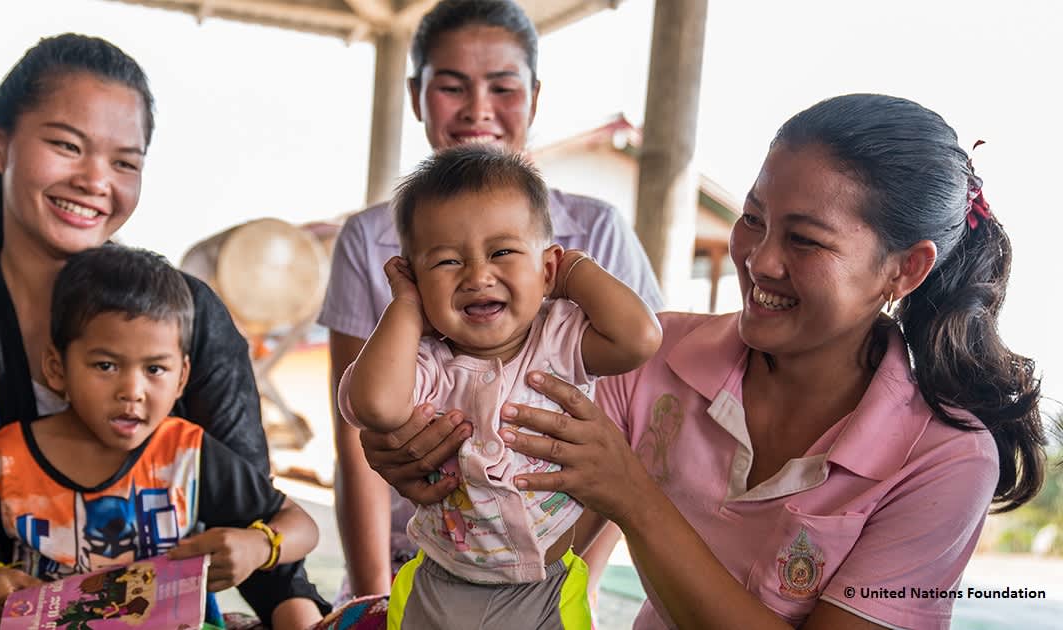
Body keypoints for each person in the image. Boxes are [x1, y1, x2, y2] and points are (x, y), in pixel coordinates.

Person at [362, 93, 1048, 629]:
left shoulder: (946, 459)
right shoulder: (656, 359)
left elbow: (615, 488)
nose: (759, 258)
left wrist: (634, 496)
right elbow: (485, 394)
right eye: (753, 218)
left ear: (905, 270)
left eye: (805, 241)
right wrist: (403, 445)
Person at [0, 34, 328, 630]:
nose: (94, 180)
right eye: (66, 145)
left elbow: (247, 513)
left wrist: (300, 614)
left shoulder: (192, 317)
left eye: (124, 162)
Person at [317, 0, 665, 605]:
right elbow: (357, 432)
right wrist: (371, 592)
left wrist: (574, 572)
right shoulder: (371, 243)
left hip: (554, 558)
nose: (477, 107)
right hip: (426, 553)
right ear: (416, 94)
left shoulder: (595, 237)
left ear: (533, 94)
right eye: (451, 86)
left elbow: (644, 412)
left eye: (501, 86)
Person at [338, 146, 661, 627]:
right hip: (438, 582)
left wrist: (571, 271)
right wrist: (405, 306)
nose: (477, 275)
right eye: (446, 262)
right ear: (415, 277)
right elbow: (375, 407)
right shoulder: (428, 361)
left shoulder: (559, 339)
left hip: (546, 588)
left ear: (545, 268)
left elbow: (640, 338)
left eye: (503, 252)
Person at [0, 245, 324, 628]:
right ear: (56, 367)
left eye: (154, 369)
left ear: (182, 377)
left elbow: (300, 524)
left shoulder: (187, 455)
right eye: (106, 365)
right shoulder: (5, 459)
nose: (132, 390)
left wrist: (260, 546)